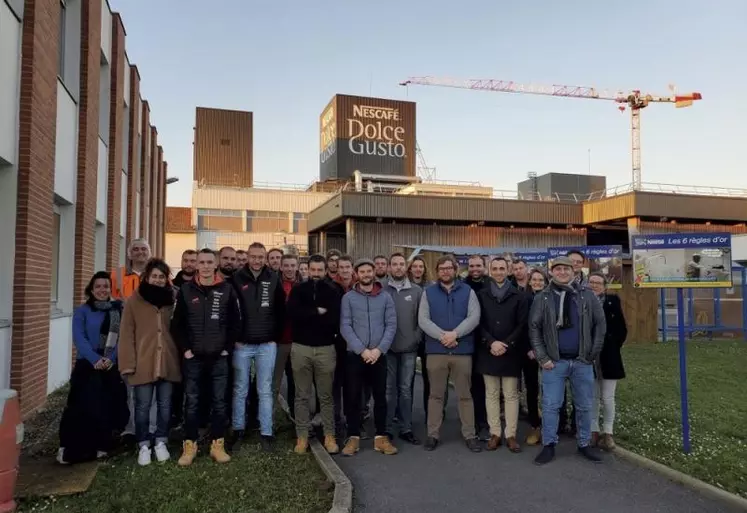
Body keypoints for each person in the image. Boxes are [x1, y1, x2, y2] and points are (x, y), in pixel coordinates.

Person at [529, 256, 606, 465]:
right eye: (558, 269)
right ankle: (549, 444)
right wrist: (542, 357)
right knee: (551, 405)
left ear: (574, 271)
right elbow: (534, 328)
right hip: (554, 362)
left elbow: (600, 325)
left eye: (566, 269)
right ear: (551, 272)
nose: (562, 272)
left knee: (584, 405)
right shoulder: (543, 297)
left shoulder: (587, 295)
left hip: (582, 362)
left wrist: (592, 353)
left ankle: (583, 444)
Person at [171, 249, 240, 466]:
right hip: (194, 358)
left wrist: (226, 348)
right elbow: (177, 325)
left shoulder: (227, 290)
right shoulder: (185, 290)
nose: (206, 266)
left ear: (216, 264)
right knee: (191, 401)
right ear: (197, 265)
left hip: (219, 357)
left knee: (219, 402)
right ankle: (190, 445)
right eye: (202, 262)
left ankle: (217, 445)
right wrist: (186, 350)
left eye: (210, 262)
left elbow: (235, 323)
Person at [57, 272, 129, 465]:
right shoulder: (82, 311)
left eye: (106, 286)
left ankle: (101, 445)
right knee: (82, 407)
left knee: (105, 406)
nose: (102, 290)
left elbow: (123, 338)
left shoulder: (117, 310)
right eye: (98, 286)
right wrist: (95, 359)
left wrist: (110, 359)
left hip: (109, 365)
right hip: (87, 365)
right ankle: (73, 448)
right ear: (91, 289)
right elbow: (80, 339)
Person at [118, 259, 182, 466]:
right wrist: (128, 363)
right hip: (143, 361)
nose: (157, 280)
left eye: (161, 277)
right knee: (142, 406)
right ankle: (143, 443)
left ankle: (161, 441)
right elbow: (126, 333)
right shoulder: (134, 301)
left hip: (167, 360)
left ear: (166, 279)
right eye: (154, 276)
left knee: (165, 406)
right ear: (147, 277)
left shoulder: (173, 300)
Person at [418, 255, 482, 453]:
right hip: (436, 351)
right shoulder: (428, 292)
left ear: (455, 270)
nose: (445, 271)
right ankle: (432, 434)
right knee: (436, 395)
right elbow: (423, 320)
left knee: (465, 395)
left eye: (449, 268)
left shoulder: (468, 291)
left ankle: (470, 435)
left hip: (462, 351)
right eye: (442, 269)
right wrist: (443, 337)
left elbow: (474, 317)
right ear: (437, 272)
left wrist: (455, 334)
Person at [339, 259, 398, 457]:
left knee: (380, 397)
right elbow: (345, 326)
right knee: (353, 397)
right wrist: (362, 350)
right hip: (356, 355)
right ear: (357, 273)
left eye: (369, 271)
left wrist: (378, 350)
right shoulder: (348, 298)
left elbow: (391, 325)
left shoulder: (385, 297)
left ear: (374, 273)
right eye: (362, 271)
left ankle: (381, 438)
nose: (366, 274)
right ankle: (353, 437)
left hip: (378, 355)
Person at [231, 242, 285, 452]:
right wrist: (235, 337)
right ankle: (238, 429)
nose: (257, 260)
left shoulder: (273, 278)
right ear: (247, 257)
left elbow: (281, 310)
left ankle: (266, 432)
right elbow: (230, 311)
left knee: (265, 389)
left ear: (265, 258)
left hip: (266, 344)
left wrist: (275, 337)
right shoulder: (237, 278)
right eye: (253, 256)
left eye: (260, 256)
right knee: (240, 389)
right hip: (242, 345)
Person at [287, 254, 342, 455]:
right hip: (301, 347)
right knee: (301, 396)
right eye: (313, 270)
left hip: (326, 349)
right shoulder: (298, 290)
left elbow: (333, 319)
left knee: (326, 395)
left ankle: (329, 435)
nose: (316, 274)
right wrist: (316, 311)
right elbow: (292, 314)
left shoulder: (333, 291)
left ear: (326, 270)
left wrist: (309, 314)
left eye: (320, 270)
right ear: (307, 270)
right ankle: (302, 436)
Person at [477, 257, 528, 453]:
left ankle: (511, 434)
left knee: (511, 395)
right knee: (491, 394)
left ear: (508, 271)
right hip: (488, 349)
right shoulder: (482, 295)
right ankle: (495, 433)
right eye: (495, 269)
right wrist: (491, 342)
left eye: (502, 269)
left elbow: (522, 324)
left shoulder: (519, 296)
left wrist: (506, 344)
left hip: (511, 351)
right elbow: (478, 323)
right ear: (490, 271)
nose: (498, 272)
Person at [384, 253, 423, 445]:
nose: (398, 267)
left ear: (405, 267)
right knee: (389, 390)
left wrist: (416, 339)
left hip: (409, 349)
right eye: (394, 264)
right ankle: (388, 428)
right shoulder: (381, 289)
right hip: (388, 349)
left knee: (406, 389)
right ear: (389, 267)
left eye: (401, 264)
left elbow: (421, 319)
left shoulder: (416, 291)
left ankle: (406, 428)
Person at [587, 272, 628, 451]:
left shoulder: (612, 301)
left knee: (608, 397)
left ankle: (608, 433)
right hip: (589, 357)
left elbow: (622, 329)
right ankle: (593, 431)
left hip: (609, 356)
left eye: (598, 283)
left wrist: (612, 346)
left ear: (604, 286)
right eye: (591, 282)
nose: (594, 285)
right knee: (593, 397)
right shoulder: (582, 302)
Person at [462, 255, 490, 441]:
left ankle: (486, 422)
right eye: (472, 266)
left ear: (484, 266)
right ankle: (474, 422)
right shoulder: (462, 286)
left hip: (488, 341)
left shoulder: (490, 285)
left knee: (488, 385)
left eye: (478, 265)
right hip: (468, 340)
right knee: (473, 386)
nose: (475, 269)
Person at [274, 253, 299, 416]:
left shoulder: (303, 285)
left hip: (297, 342)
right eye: (286, 265)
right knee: (273, 384)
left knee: (295, 383)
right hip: (277, 342)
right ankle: (269, 420)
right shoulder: (274, 285)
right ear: (281, 267)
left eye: (292, 265)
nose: (289, 269)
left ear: (297, 267)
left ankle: (294, 417)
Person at [524, 268, 547, 445]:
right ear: (529, 281)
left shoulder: (550, 300)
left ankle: (552, 426)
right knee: (532, 391)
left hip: (548, 352)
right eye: (534, 279)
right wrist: (529, 348)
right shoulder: (524, 299)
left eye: (541, 279)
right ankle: (535, 426)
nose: (537, 282)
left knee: (550, 391)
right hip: (530, 354)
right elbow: (522, 326)